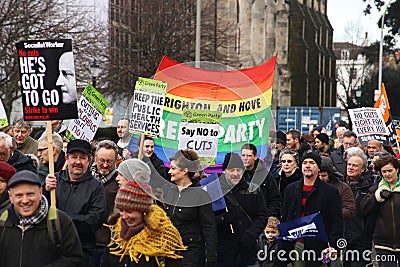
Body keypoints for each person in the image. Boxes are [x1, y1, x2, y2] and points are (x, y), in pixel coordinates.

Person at [0, 170, 83, 266]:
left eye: (30, 194)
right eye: (19, 195)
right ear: (11, 197)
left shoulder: (59, 222)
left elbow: (73, 258)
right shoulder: (3, 222)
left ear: (40, 192)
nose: (25, 200)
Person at [45, 139, 107, 267]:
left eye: (82, 158)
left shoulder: (96, 187)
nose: (78, 162)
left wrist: (62, 220)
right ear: (67, 158)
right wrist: (45, 191)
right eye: (74, 157)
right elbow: (39, 209)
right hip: (52, 251)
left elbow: (95, 219)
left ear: (89, 161)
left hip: (82, 253)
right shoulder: (54, 181)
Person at [277, 152, 343, 267]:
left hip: (319, 246)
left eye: (311, 163)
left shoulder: (330, 191)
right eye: (305, 163)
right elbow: (285, 217)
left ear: (318, 167)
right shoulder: (291, 189)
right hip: (296, 244)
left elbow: (336, 221)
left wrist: (333, 246)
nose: (307, 165)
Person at [102, 180, 187, 266]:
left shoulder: (164, 235)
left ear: (143, 211)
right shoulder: (116, 231)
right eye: (121, 210)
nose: (124, 216)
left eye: (129, 211)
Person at [164, 149, 218, 267]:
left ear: (184, 171)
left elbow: (209, 228)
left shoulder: (200, 195)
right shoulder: (169, 192)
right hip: (170, 254)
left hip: (191, 256)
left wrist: (211, 258)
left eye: (173, 168)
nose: (169, 172)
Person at [216, 152, 268, 267]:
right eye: (231, 170)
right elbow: (207, 219)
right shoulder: (214, 190)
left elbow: (262, 216)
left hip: (247, 253)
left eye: (238, 170)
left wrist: (250, 235)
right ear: (224, 170)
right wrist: (223, 219)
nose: (235, 174)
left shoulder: (254, 190)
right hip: (222, 253)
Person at [361, 155, 400, 267]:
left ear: (396, 170)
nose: (387, 174)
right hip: (383, 243)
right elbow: (364, 208)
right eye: (384, 171)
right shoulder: (376, 188)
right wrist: (377, 197)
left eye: (390, 171)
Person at [342, 151, 376, 267]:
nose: (350, 168)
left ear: (363, 169)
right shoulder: (339, 184)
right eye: (349, 164)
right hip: (342, 237)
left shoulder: (370, 187)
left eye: (355, 165)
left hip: (361, 238)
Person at [91, 140, 120, 267]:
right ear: (95, 158)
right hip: (86, 240)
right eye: (102, 161)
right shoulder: (85, 177)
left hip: (107, 243)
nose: (105, 165)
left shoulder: (119, 181)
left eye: (109, 162)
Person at [241, 143, 282, 217]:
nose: (245, 158)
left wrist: (265, 215)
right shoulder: (237, 175)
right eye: (243, 155)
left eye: (249, 155)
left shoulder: (265, 175)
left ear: (255, 157)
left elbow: (275, 200)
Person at [319, 156, 355, 220]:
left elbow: (349, 209)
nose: (321, 178)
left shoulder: (343, 187)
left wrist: (332, 215)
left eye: (323, 176)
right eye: (318, 175)